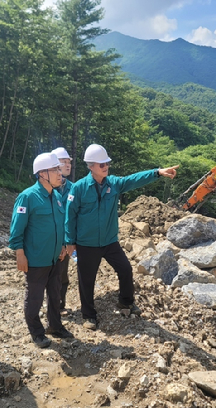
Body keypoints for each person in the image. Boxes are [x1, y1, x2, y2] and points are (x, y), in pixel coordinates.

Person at [65, 144, 179, 330]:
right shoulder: (78, 188)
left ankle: (126, 302)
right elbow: (69, 216)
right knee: (87, 280)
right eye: (102, 164)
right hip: (87, 243)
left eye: (107, 163)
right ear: (91, 166)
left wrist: (157, 172)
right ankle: (89, 315)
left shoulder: (114, 184)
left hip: (109, 242)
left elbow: (134, 180)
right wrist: (69, 241)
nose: (106, 167)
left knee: (125, 269)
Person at [9, 153, 74, 348]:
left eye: (58, 169)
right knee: (35, 298)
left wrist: (63, 245)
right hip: (36, 260)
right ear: (42, 173)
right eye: (55, 170)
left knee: (55, 295)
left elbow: (60, 224)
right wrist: (19, 254)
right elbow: (16, 229)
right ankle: (36, 332)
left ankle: (55, 326)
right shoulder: (27, 197)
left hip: (56, 258)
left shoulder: (57, 196)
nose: (59, 173)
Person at [52, 147, 74, 316]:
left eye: (69, 162)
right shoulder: (44, 188)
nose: (68, 165)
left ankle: (59, 305)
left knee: (62, 274)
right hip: (47, 240)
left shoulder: (73, 189)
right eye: (64, 162)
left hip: (64, 241)